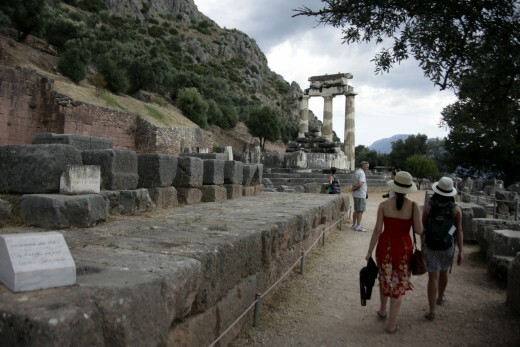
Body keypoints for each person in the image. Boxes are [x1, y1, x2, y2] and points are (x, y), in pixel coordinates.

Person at [365, 171, 423, 334]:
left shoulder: (383, 205)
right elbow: (418, 230)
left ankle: (382, 310)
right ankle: (391, 325)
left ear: (394, 187)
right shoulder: (413, 207)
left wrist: (369, 251)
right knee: (398, 285)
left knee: (385, 278)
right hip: (404, 249)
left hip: (385, 248)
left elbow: (377, 230)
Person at [422, 177, 463, 321]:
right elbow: (458, 230)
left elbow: (424, 227)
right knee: (444, 271)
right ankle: (440, 297)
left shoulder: (429, 206)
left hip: (431, 245)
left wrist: (422, 245)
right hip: (447, 246)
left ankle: (432, 311)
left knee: (433, 277)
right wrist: (461, 251)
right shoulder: (456, 209)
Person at [352, 161, 369, 232]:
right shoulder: (362, 173)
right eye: (367, 167)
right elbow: (359, 184)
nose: (367, 169)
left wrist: (353, 189)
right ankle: (358, 226)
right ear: (363, 167)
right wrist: (354, 189)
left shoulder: (356, 172)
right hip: (360, 195)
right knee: (360, 211)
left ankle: (354, 225)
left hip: (356, 194)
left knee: (356, 210)